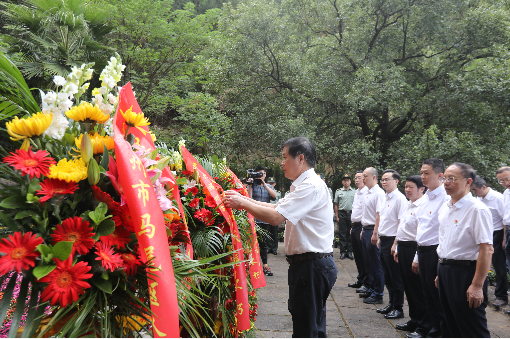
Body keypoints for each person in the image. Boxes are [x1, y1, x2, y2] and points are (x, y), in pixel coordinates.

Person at [223, 137, 337, 337]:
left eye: (284, 158)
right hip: (310, 265)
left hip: (311, 266)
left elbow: (275, 217)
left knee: (306, 329)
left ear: (300, 158)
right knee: (311, 325)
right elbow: (277, 207)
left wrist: (242, 204)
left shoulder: (309, 186)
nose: (281, 163)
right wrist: (243, 199)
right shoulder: (303, 184)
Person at [436, 163, 493, 337]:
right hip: (446, 270)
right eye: (444, 178)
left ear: (468, 182)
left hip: (466, 273)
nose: (446, 182)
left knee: (472, 327)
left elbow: (486, 249)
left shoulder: (477, 210)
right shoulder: (446, 206)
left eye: (452, 178)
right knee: (450, 322)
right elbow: (446, 240)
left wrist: (477, 285)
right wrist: (442, 270)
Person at [409, 158, 449, 339]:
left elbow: (444, 232)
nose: (422, 177)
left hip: (437, 253)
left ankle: (441, 332)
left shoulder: (446, 199)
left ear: (440, 176)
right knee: (427, 296)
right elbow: (422, 229)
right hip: (423, 251)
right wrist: (417, 257)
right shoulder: (425, 198)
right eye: (422, 172)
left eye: (427, 173)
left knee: (438, 296)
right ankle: (431, 330)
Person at [392, 175, 432, 336]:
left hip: (414, 249)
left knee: (418, 289)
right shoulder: (409, 204)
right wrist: (396, 246)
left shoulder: (423, 206)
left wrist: (416, 256)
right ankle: (414, 320)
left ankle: (424, 326)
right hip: (403, 247)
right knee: (408, 287)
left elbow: (421, 235)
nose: (407, 190)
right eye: (406, 187)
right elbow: (402, 227)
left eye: (411, 187)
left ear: (422, 189)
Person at [471, 175, 508, 308]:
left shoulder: (497, 198)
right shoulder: (478, 198)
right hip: (482, 235)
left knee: (499, 267)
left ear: (484, 187)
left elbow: (505, 219)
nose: (474, 193)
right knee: (481, 265)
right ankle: (483, 295)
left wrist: (504, 239)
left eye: (475, 190)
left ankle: (501, 296)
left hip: (497, 234)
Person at [375, 169, 407, 319]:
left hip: (393, 240)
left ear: (396, 181)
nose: (384, 182)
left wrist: (396, 243)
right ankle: (391, 303)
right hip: (384, 239)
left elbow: (401, 223)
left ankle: (398, 307)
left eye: (387, 179)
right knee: (387, 275)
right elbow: (384, 220)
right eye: (382, 179)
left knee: (395, 276)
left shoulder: (400, 199)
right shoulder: (385, 198)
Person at [360, 167, 385, 304]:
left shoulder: (378, 193)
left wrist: (375, 233)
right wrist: (363, 230)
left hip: (373, 230)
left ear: (374, 177)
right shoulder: (368, 192)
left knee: (375, 263)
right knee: (367, 262)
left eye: (365, 176)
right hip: (366, 229)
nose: (363, 178)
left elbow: (378, 214)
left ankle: (378, 293)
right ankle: (370, 288)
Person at [248, 165, 277, 276]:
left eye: (262, 174)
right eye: (258, 174)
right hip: (253, 220)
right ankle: (251, 265)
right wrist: (250, 185)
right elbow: (249, 198)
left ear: (265, 175)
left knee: (263, 244)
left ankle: (265, 265)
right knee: (251, 243)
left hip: (264, 220)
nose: (261, 176)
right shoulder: (252, 186)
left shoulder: (268, 186)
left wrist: (265, 185)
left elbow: (274, 196)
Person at [348, 171, 369, 289]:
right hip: (355, 225)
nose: (357, 180)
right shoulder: (357, 192)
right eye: (355, 178)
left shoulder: (367, 192)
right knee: (357, 255)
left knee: (364, 255)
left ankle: (367, 281)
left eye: (359, 178)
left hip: (362, 226)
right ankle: (360, 278)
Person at [496, 166, 510, 315]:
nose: (506, 183)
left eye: (507, 179)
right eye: (502, 181)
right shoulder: (506, 193)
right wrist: (505, 237)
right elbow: (505, 217)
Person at [335, 174, 355, 260]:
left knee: (350, 233)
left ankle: (349, 252)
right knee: (342, 233)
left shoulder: (355, 192)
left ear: (350, 181)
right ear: (342, 182)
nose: (346, 182)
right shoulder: (338, 191)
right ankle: (343, 252)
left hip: (351, 213)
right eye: (344, 180)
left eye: (348, 180)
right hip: (341, 213)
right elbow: (336, 204)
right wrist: (337, 216)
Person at [268, 177, 281, 255]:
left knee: (274, 232)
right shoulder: (266, 191)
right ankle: (269, 248)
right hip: (267, 212)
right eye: (269, 183)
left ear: (275, 184)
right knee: (268, 231)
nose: (271, 185)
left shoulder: (278, 193)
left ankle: (274, 248)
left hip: (275, 213)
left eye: (272, 183)